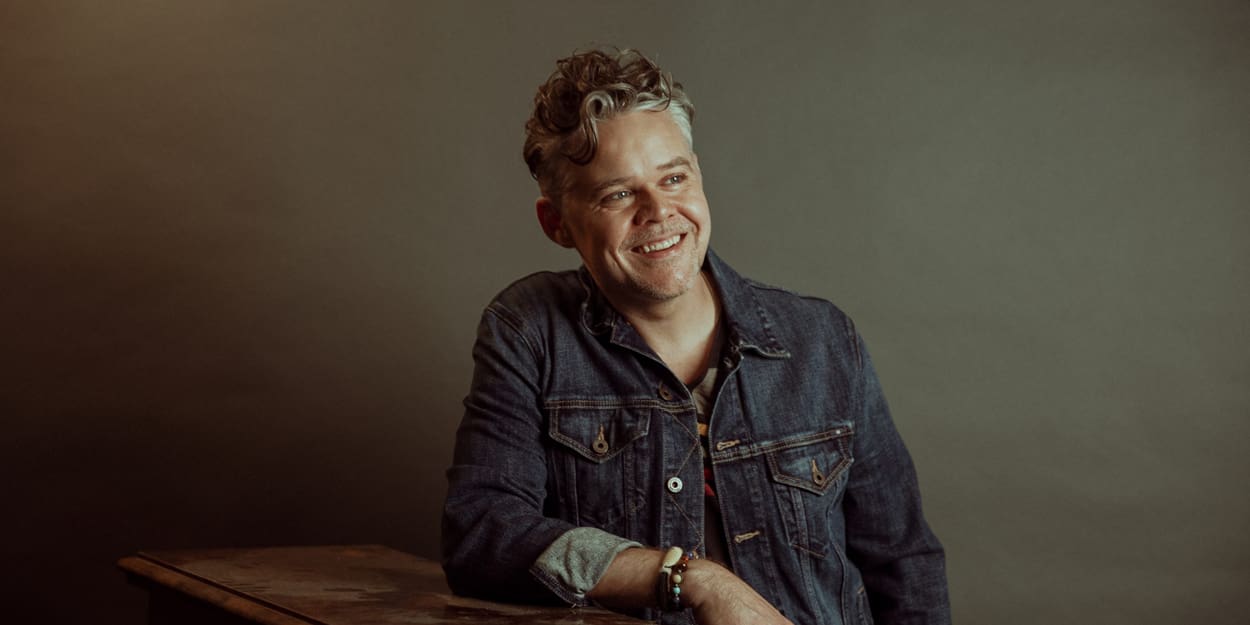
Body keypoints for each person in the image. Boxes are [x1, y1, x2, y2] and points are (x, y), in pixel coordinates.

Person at [442, 48, 950, 625]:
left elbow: (904, 563)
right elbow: (482, 534)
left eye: (674, 178)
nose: (659, 211)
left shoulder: (823, 340)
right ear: (556, 223)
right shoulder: (530, 331)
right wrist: (692, 580)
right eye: (618, 194)